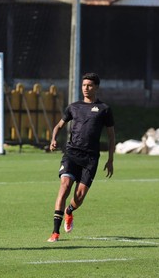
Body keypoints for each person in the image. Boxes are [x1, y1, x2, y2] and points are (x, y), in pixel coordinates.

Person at [47, 73, 115, 242]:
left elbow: (111, 136)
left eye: (90, 85)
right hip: (71, 153)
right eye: (84, 85)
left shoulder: (104, 109)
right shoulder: (73, 107)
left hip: (91, 158)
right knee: (64, 186)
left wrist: (111, 159)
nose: (86, 88)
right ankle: (55, 233)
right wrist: (54, 138)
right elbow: (58, 126)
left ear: (96, 87)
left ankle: (69, 211)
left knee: (80, 196)